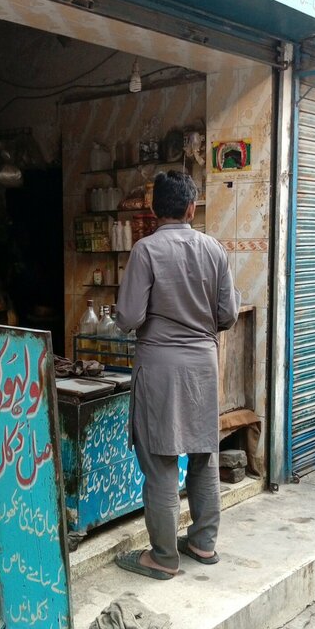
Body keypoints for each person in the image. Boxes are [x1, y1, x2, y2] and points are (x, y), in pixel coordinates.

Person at [114, 170, 240, 581]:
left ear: (154, 211)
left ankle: (164, 557)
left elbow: (128, 318)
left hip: (160, 369)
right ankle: (203, 544)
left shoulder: (145, 251)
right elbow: (228, 315)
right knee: (205, 456)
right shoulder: (215, 250)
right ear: (191, 208)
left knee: (162, 463)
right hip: (204, 366)